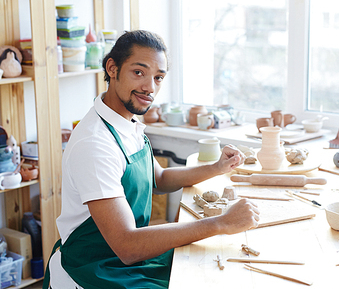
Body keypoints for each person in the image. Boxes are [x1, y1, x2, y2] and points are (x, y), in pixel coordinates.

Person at [43, 30, 259, 289]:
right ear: (113, 68)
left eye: (158, 77)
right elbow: (127, 245)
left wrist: (217, 167)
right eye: (138, 72)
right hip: (96, 269)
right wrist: (221, 222)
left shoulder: (127, 122)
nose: (150, 87)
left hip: (128, 261)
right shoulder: (95, 144)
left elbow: (160, 178)